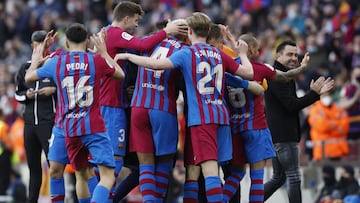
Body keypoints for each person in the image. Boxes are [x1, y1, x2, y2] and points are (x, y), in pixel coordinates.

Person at [115, 12, 255, 202]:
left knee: (200, 169)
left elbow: (156, 64)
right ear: (208, 31)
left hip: (195, 117)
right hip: (220, 116)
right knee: (208, 169)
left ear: (189, 30)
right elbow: (247, 72)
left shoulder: (182, 51)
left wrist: (127, 57)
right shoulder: (218, 53)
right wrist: (243, 54)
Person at [24, 23, 125, 203]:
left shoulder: (57, 61)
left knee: (78, 172)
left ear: (67, 43)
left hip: (70, 128)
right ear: (87, 41)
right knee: (104, 176)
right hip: (91, 126)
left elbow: (28, 77)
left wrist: (38, 54)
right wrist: (103, 51)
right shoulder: (96, 61)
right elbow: (120, 74)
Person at [98, 2, 187, 199]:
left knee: (140, 165)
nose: (137, 25)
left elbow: (138, 52)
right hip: (143, 107)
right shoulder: (184, 50)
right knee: (156, 163)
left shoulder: (143, 42)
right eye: (136, 20)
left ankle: (105, 197)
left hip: (135, 107)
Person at [263, 40, 335, 203]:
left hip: (280, 135)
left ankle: (252, 200)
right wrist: (314, 94)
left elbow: (290, 104)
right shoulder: (277, 77)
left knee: (279, 178)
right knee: (293, 177)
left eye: (295, 55)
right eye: (289, 54)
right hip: (284, 136)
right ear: (278, 55)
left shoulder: (285, 75)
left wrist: (314, 94)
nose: (293, 58)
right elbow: (291, 105)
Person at [14, 30, 57, 203]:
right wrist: (27, 96)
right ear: (32, 45)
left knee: (54, 167)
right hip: (30, 124)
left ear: (48, 44)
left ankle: (57, 199)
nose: (39, 48)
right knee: (34, 169)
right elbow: (18, 94)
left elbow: (66, 89)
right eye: (36, 44)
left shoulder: (54, 64)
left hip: (49, 123)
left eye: (42, 44)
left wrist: (54, 90)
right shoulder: (25, 67)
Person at [308, 92, 349, 161]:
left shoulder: (339, 109)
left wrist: (329, 125)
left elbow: (344, 128)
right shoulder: (315, 110)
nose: (326, 96)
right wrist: (336, 124)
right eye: (324, 94)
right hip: (322, 152)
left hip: (338, 151)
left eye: (328, 94)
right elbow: (321, 126)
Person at [338, 66, 360, 140]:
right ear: (352, 75)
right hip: (351, 128)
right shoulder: (347, 89)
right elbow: (341, 105)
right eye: (356, 75)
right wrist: (355, 98)